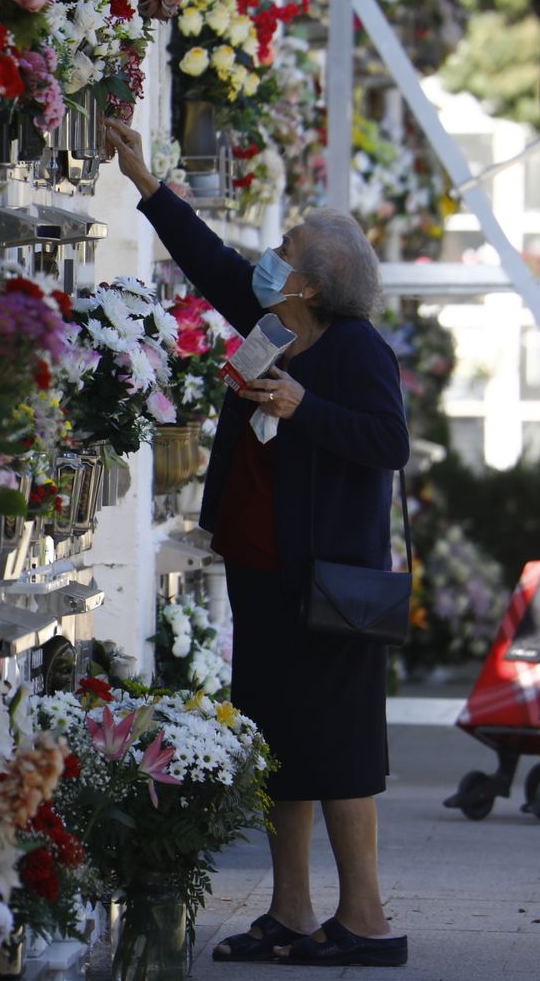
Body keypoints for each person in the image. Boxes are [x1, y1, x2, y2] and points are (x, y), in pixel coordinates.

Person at [103, 118, 411, 969]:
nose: (270, 256)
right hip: (264, 572)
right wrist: (147, 180)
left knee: (340, 756)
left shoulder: (356, 351)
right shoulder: (276, 322)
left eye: (286, 250)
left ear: (312, 284)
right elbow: (210, 264)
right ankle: (293, 912)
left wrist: (302, 409)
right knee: (283, 750)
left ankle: (368, 924)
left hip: (329, 587)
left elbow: (389, 442)